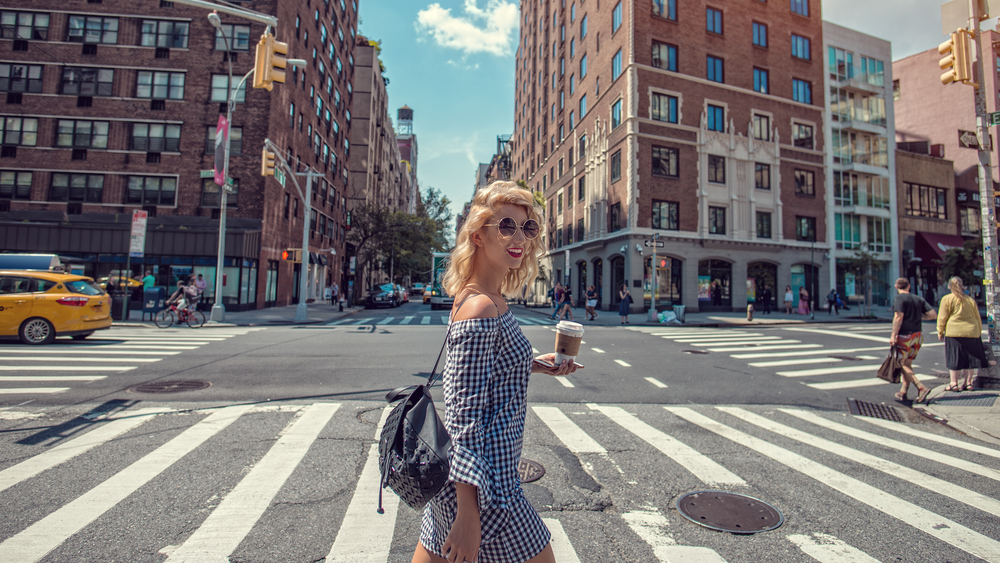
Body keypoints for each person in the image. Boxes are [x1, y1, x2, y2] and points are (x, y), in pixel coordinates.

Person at [413, 180, 577, 563]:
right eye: (506, 226)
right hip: (490, 490)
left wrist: (535, 364)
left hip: (485, 482)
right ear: (478, 236)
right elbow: (462, 415)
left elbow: (487, 373)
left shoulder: (489, 297)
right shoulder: (480, 307)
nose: (519, 237)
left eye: (527, 227)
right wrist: (469, 514)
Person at [937, 276, 990, 392]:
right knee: (970, 359)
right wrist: (978, 331)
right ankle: (968, 383)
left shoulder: (947, 299)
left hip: (954, 332)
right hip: (972, 331)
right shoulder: (970, 300)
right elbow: (977, 317)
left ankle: (953, 383)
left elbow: (942, 317)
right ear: (962, 286)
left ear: (949, 286)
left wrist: (940, 331)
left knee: (954, 357)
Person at [890, 278, 937, 403]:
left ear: (896, 286)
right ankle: (903, 391)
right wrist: (919, 316)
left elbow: (898, 317)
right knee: (907, 364)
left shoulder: (899, 299)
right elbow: (933, 315)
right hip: (917, 336)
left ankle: (921, 387)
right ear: (909, 286)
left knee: (901, 362)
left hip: (905, 335)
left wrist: (893, 334)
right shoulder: (918, 299)